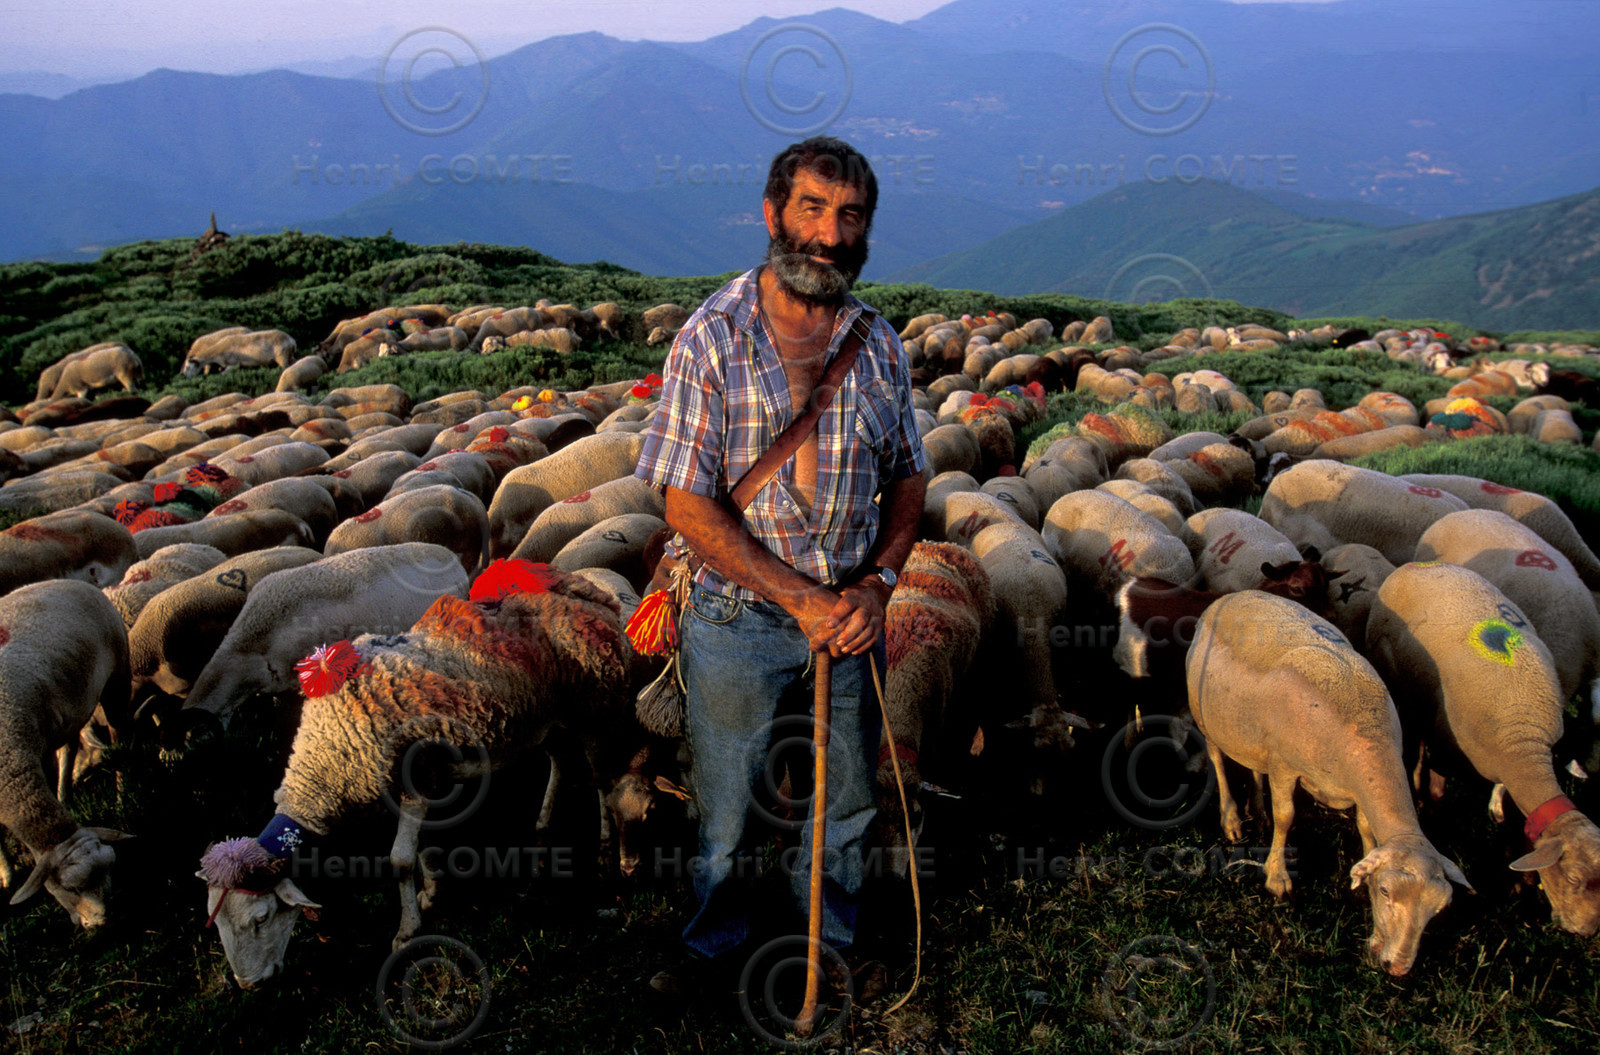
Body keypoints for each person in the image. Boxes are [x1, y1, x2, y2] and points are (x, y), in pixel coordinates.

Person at [634, 136, 927, 1001]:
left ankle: (826, 940)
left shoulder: (878, 345)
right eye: (812, 209)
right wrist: (800, 598)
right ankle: (717, 942)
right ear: (772, 215)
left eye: (850, 217)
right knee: (724, 803)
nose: (830, 236)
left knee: (846, 806)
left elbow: (910, 475)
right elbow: (685, 504)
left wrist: (876, 584)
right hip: (736, 619)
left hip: (849, 615)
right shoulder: (710, 338)